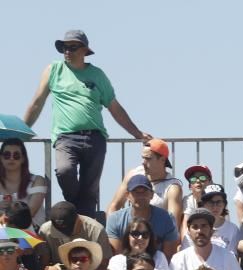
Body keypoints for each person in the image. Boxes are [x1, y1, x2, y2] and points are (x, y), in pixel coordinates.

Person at [22, 30, 152, 216]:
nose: (67, 51)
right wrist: (22, 131)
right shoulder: (54, 70)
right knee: (64, 170)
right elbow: (36, 102)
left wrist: (137, 133)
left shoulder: (97, 75)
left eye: (72, 47)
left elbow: (115, 107)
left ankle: (84, 221)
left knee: (90, 189)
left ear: (84, 50)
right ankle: (75, 210)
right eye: (64, 47)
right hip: (65, 137)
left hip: (95, 137)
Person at [36, 201, 113, 270]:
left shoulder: (96, 230)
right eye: (59, 231)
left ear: (78, 219)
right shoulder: (45, 230)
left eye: (68, 230)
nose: (64, 234)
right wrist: (48, 269)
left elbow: (104, 264)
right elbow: (42, 263)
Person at [106, 140, 183, 230]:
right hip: (130, 233)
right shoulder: (133, 175)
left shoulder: (172, 188)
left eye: (148, 158)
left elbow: (173, 226)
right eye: (143, 158)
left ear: (162, 160)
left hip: (156, 238)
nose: (143, 162)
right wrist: (112, 231)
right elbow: (113, 206)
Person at [105, 174, 180, 260]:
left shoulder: (167, 219)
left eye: (144, 191)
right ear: (127, 195)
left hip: (158, 267)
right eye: (135, 192)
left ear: (152, 194)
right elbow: (118, 257)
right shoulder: (115, 219)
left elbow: (168, 258)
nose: (140, 196)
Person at [107, 216, 171, 270]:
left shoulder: (159, 257)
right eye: (135, 234)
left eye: (145, 234)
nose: (140, 238)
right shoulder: (116, 261)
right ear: (128, 236)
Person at [0, 138, 47, 226]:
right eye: (6, 155)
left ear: (23, 158)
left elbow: (29, 213)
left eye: (16, 155)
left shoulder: (37, 181)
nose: (11, 158)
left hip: (29, 233)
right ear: (1, 158)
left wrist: (6, 213)